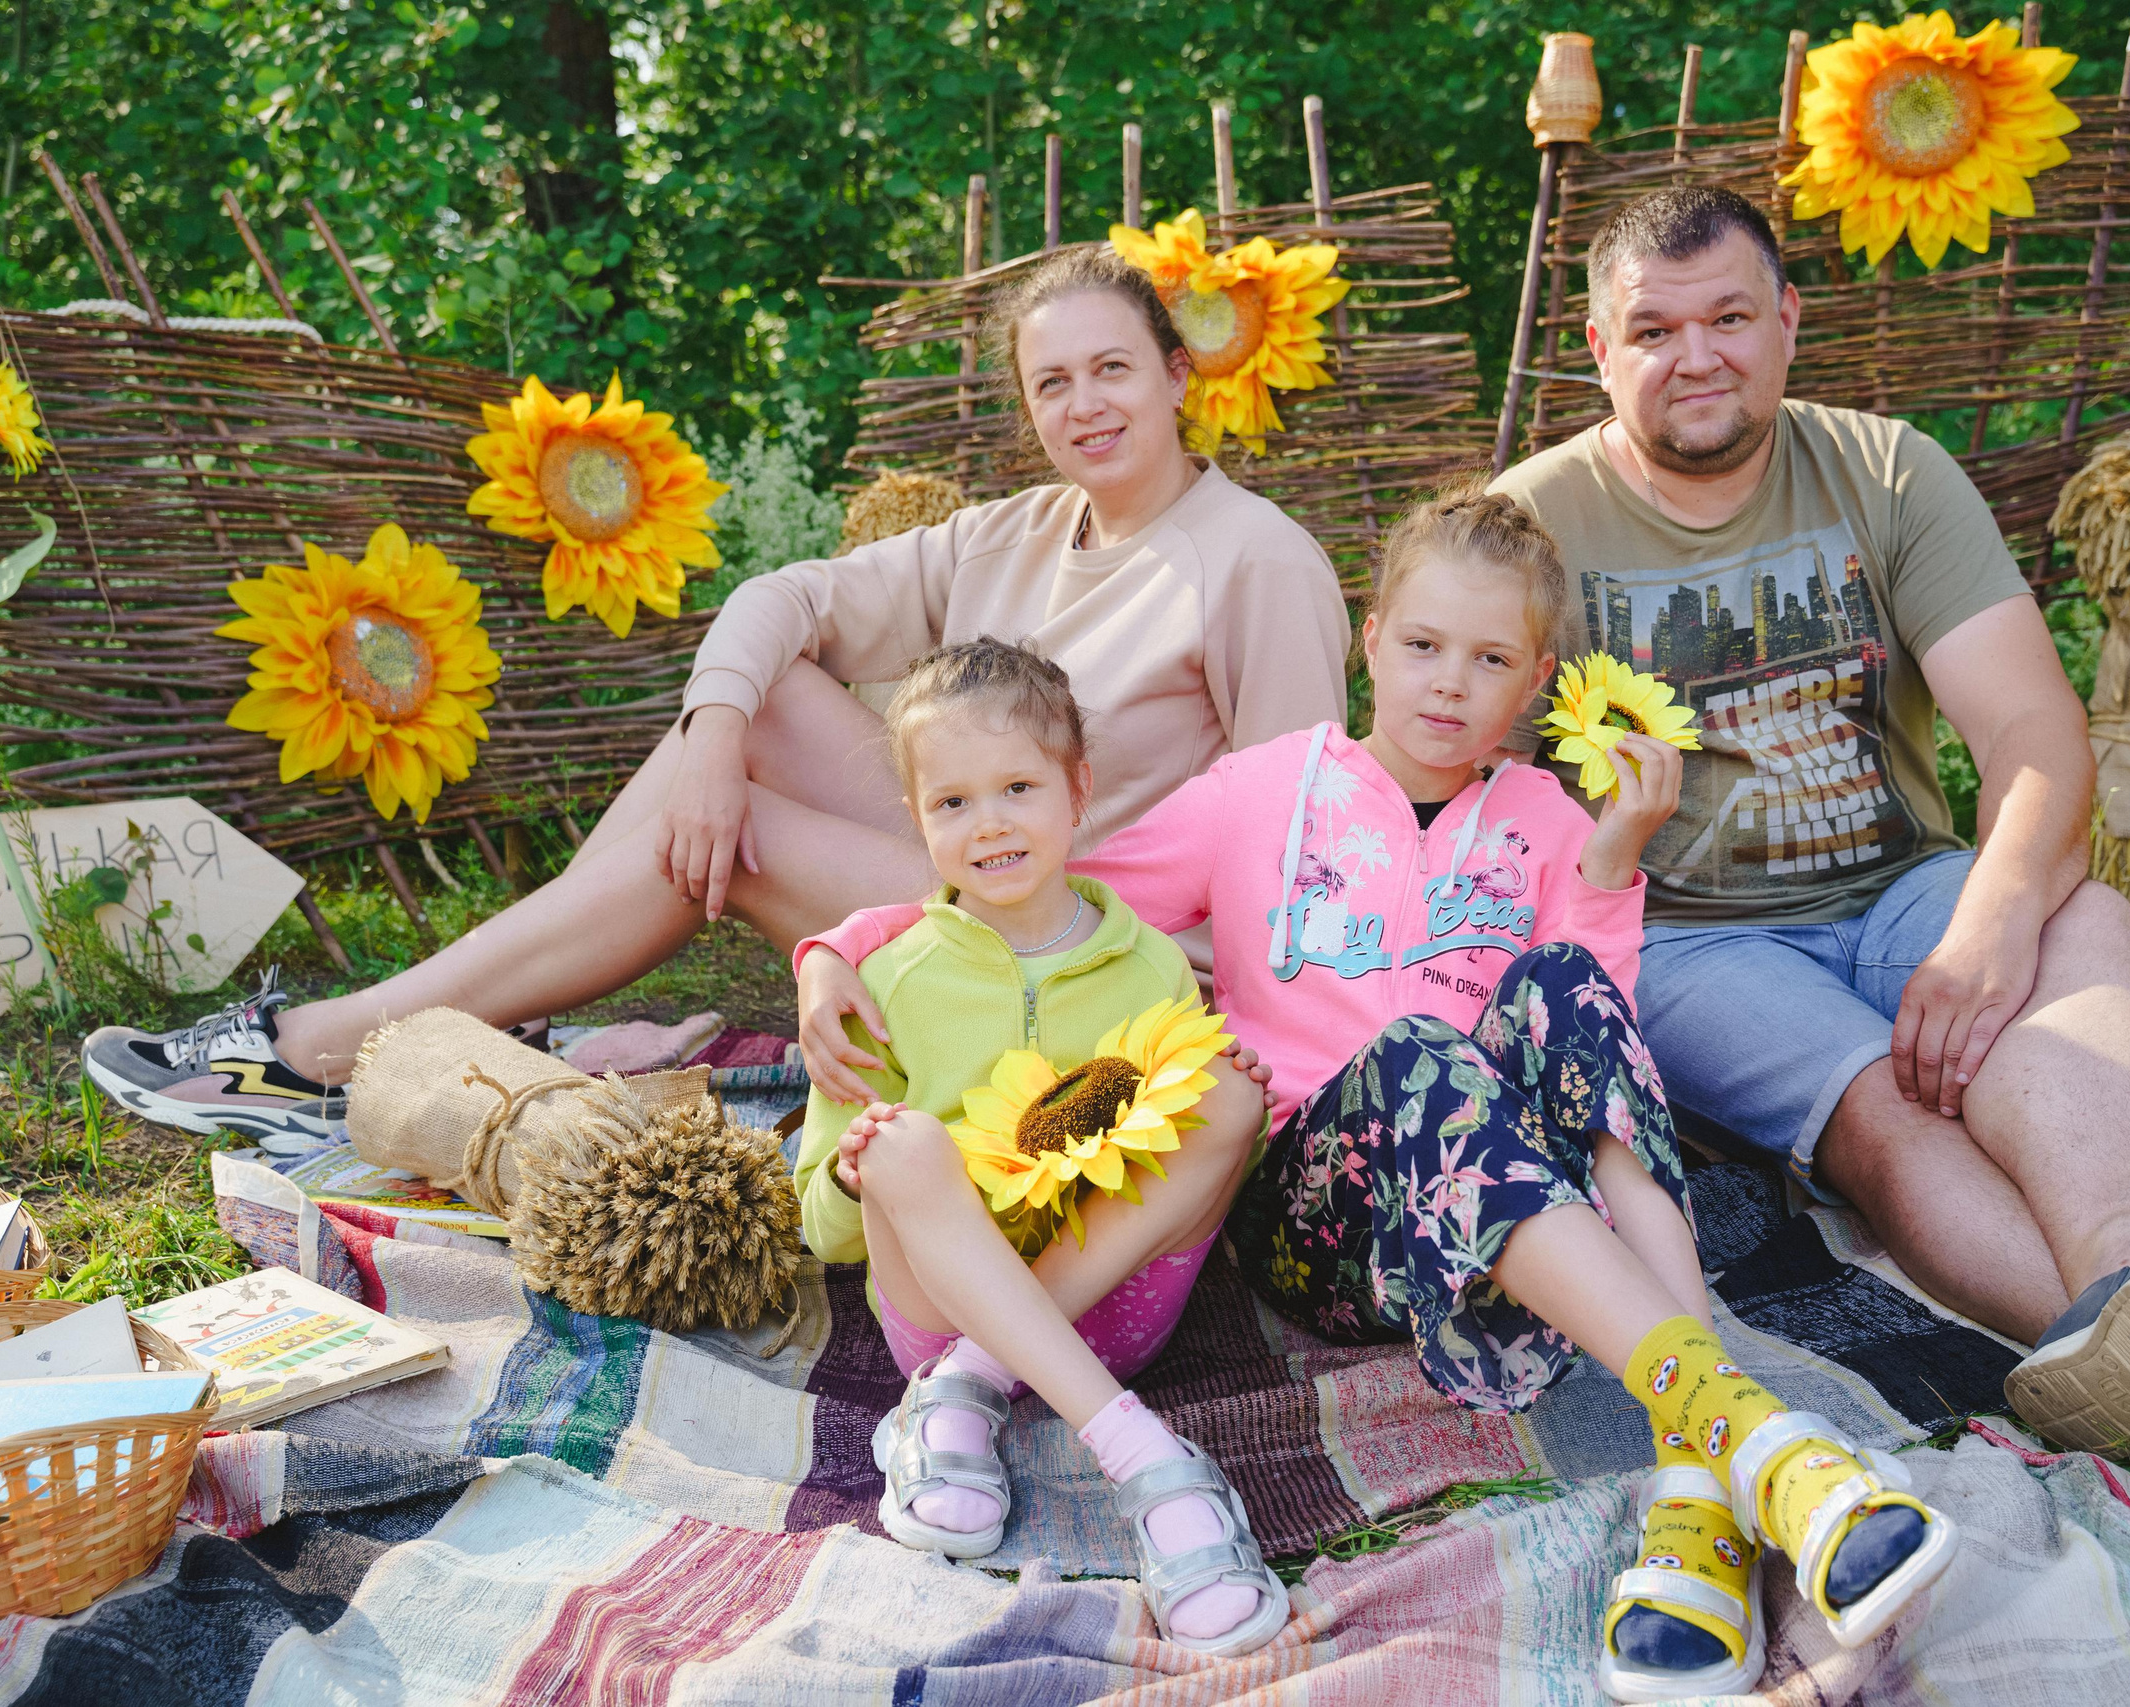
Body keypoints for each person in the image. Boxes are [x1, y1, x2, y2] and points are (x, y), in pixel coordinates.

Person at [800, 489, 1958, 1703]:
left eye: (1490, 659)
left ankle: (1699, 1486)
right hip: (1318, 1217)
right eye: (1421, 646)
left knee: (1562, 980)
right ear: (1369, 637)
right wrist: (838, 946)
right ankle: (1754, 1437)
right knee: (1416, 1049)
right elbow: (1030, 876)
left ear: (1538, 680)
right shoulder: (1259, 792)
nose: (1448, 684)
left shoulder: (1546, 819)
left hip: (1511, 1221)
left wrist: (1610, 863)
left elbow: (1598, 1060)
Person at [1484, 184, 2130, 1496]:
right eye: (1654, 330)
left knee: (2080, 915)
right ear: (1597, 348)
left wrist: (1986, 930)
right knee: (1887, 1109)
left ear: (1788, 323)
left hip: (1900, 886)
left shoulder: (1885, 471)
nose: (1695, 354)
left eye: (1730, 317)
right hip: (1688, 939)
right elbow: (1457, 789)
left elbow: (2038, 740)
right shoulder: (1532, 525)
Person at [81, 246, 1353, 1148]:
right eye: (1051, 383)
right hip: (966, 847)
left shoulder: (1254, 561)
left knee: (731, 833)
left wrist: (1225, 1075)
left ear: (1179, 375)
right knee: (752, 716)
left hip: (1082, 941)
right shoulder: (1015, 533)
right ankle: (490, 1018)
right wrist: (709, 733)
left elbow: (1298, 857)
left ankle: (327, 1044)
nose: (1085, 405)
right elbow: (780, 599)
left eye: (1112, 369)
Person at [801, 635, 1288, 1659]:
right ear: (917, 820)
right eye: (953, 803)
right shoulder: (884, 979)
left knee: (1231, 1098)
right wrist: (860, 1176)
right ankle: (1139, 1454)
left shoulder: (1148, 965)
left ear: (1078, 790)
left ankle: (967, 1394)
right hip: (938, 1313)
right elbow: (822, 1227)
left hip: (1115, 1311)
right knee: (904, 1144)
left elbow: (1182, 1176)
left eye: (1017, 786)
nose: (990, 826)